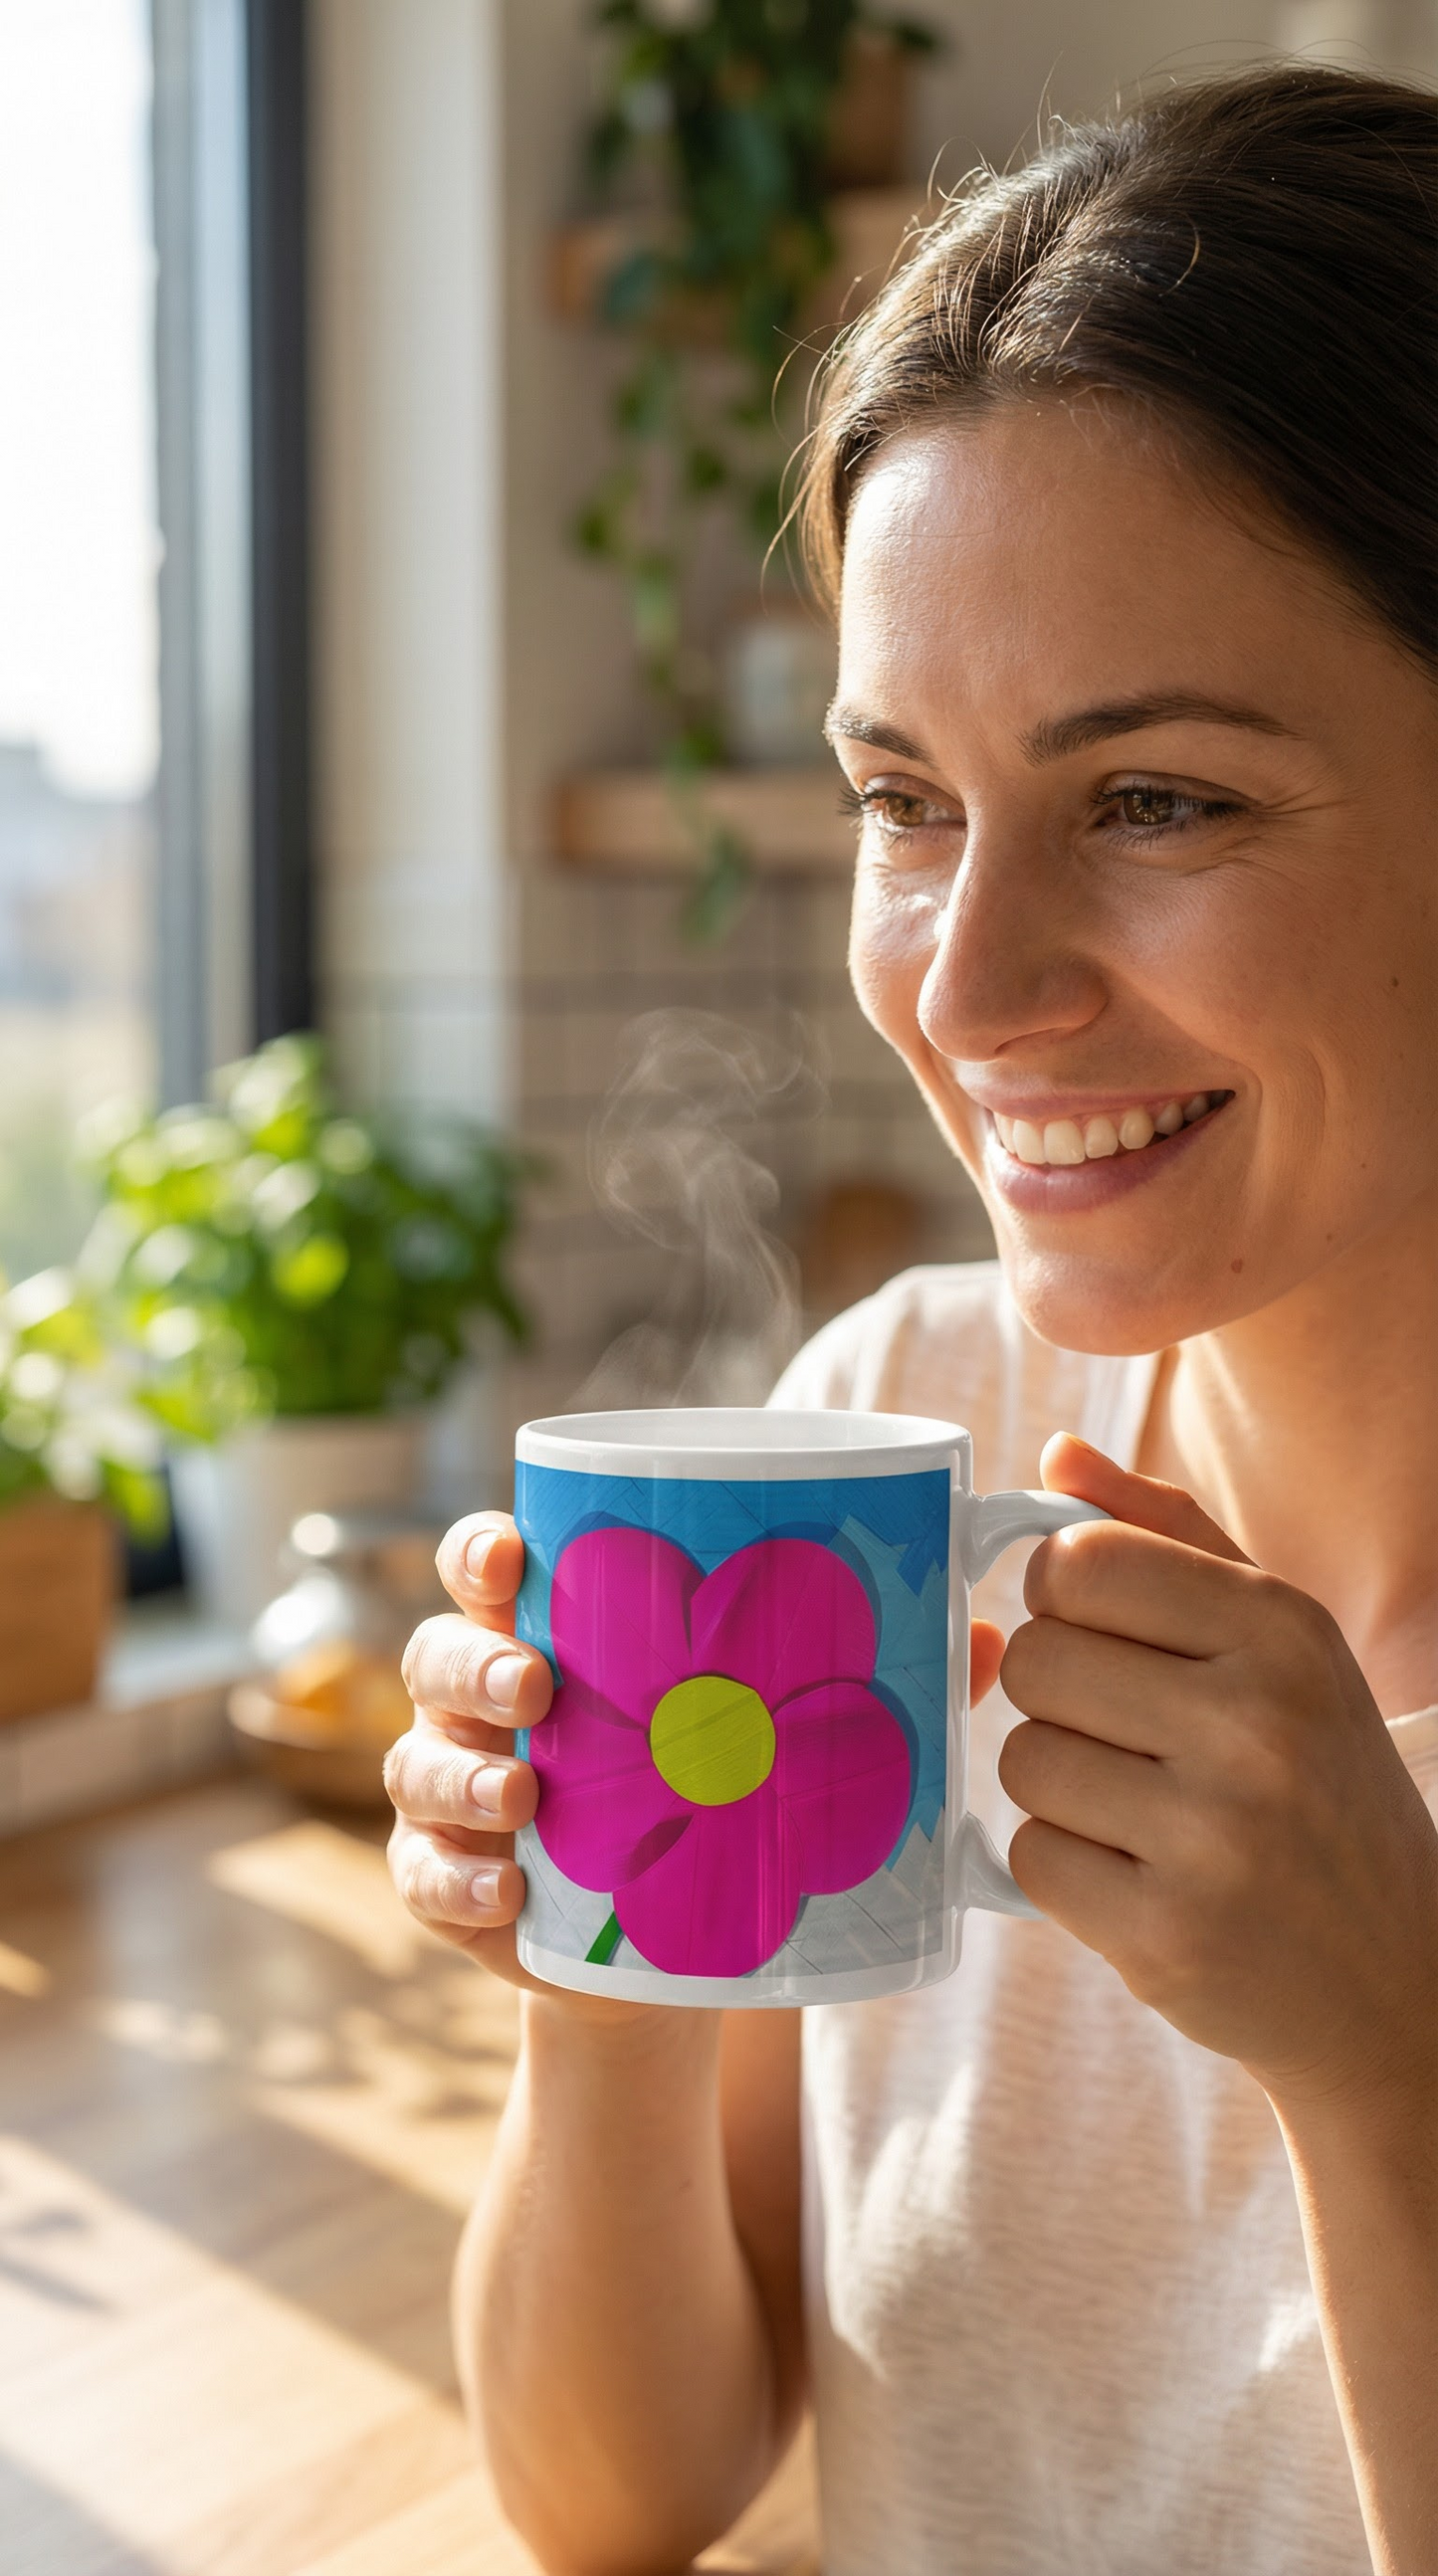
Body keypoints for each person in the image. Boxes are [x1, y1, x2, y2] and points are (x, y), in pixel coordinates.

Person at [386, 63, 1438, 2576]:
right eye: (901, 801)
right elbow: (612, 2490)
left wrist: (1384, 2073)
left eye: (1153, 800)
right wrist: (602, 1938)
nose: (965, 985)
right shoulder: (899, 1429)